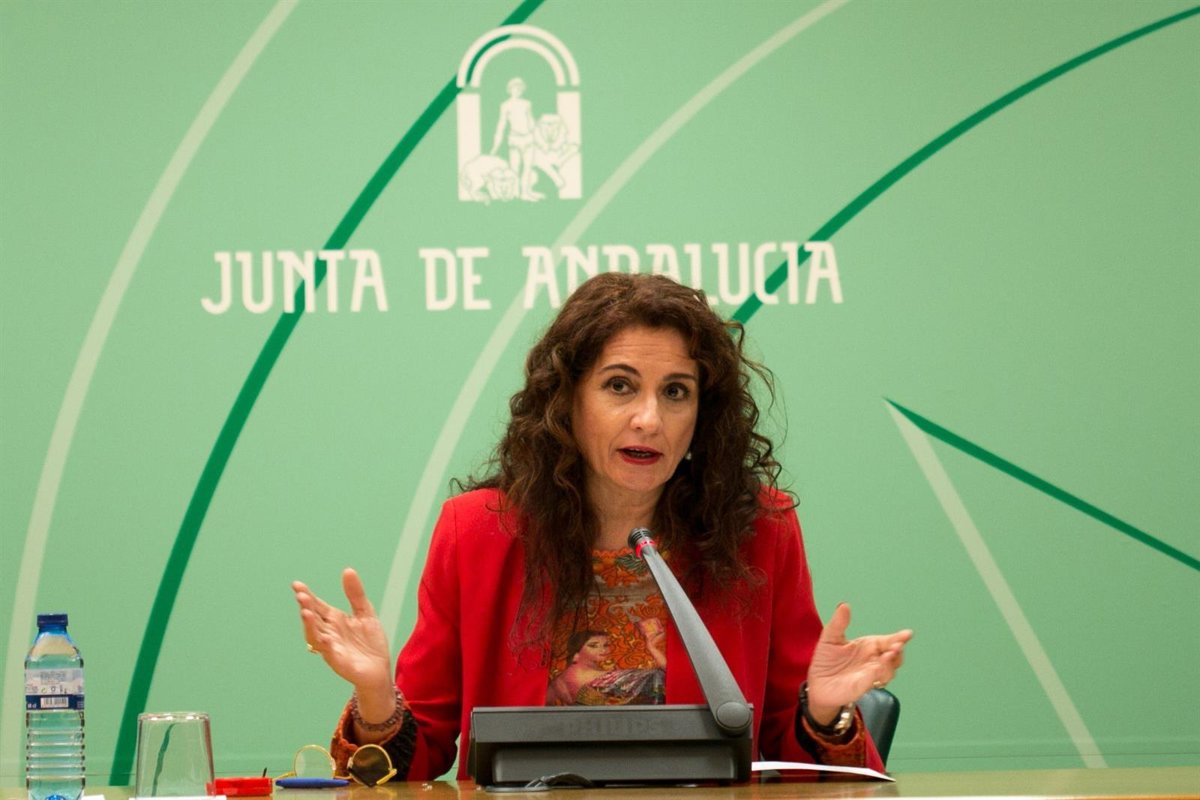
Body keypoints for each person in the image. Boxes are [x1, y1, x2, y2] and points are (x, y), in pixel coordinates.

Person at [292, 273, 912, 781]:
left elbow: (799, 768)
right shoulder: (478, 533)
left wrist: (824, 713)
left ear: (703, 415)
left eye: (676, 392)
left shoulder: (758, 532)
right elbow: (415, 764)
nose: (649, 419)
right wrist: (376, 696)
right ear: (567, 401)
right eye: (620, 386)